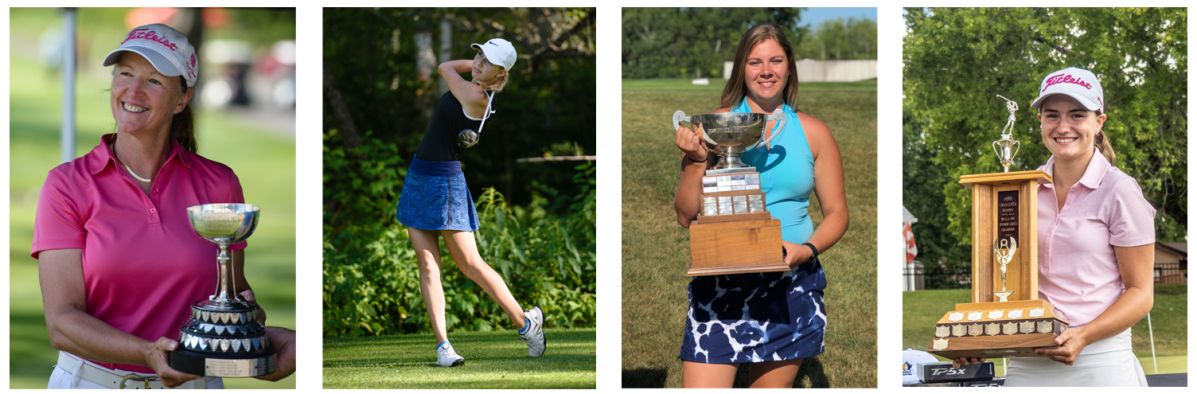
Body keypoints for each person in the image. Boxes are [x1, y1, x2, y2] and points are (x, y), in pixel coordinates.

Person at [33, 24, 295, 389]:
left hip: (194, 384)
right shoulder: (67, 185)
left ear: (182, 98)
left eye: (154, 80)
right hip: (92, 383)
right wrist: (146, 352)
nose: (133, 91)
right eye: (125, 73)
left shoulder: (219, 183)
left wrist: (253, 329)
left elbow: (231, 292)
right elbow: (61, 322)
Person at [954, 67, 1155, 387]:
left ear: (1098, 122)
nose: (1063, 127)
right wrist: (977, 338)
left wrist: (1084, 336)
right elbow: (1004, 274)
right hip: (1027, 361)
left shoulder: (1120, 190)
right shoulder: (1021, 189)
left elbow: (1141, 293)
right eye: (1052, 115)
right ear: (1040, 122)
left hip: (1099, 362)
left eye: (1077, 115)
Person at [672, 24, 848, 388]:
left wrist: (805, 250)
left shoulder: (814, 132)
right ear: (742, 69)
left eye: (775, 60)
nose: (766, 70)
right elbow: (685, 215)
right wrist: (695, 159)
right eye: (755, 62)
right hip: (722, 283)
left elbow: (838, 214)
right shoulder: (713, 125)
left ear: (789, 67)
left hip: (791, 282)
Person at [395, 38, 547, 368]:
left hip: (445, 183)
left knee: (470, 265)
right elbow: (449, 68)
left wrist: (480, 73)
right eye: (478, 53)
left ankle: (525, 324)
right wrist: (483, 68)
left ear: (501, 71)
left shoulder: (476, 95)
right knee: (427, 265)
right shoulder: (478, 87)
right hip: (419, 176)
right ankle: (443, 347)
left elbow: (444, 67)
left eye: (487, 59)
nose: (477, 61)